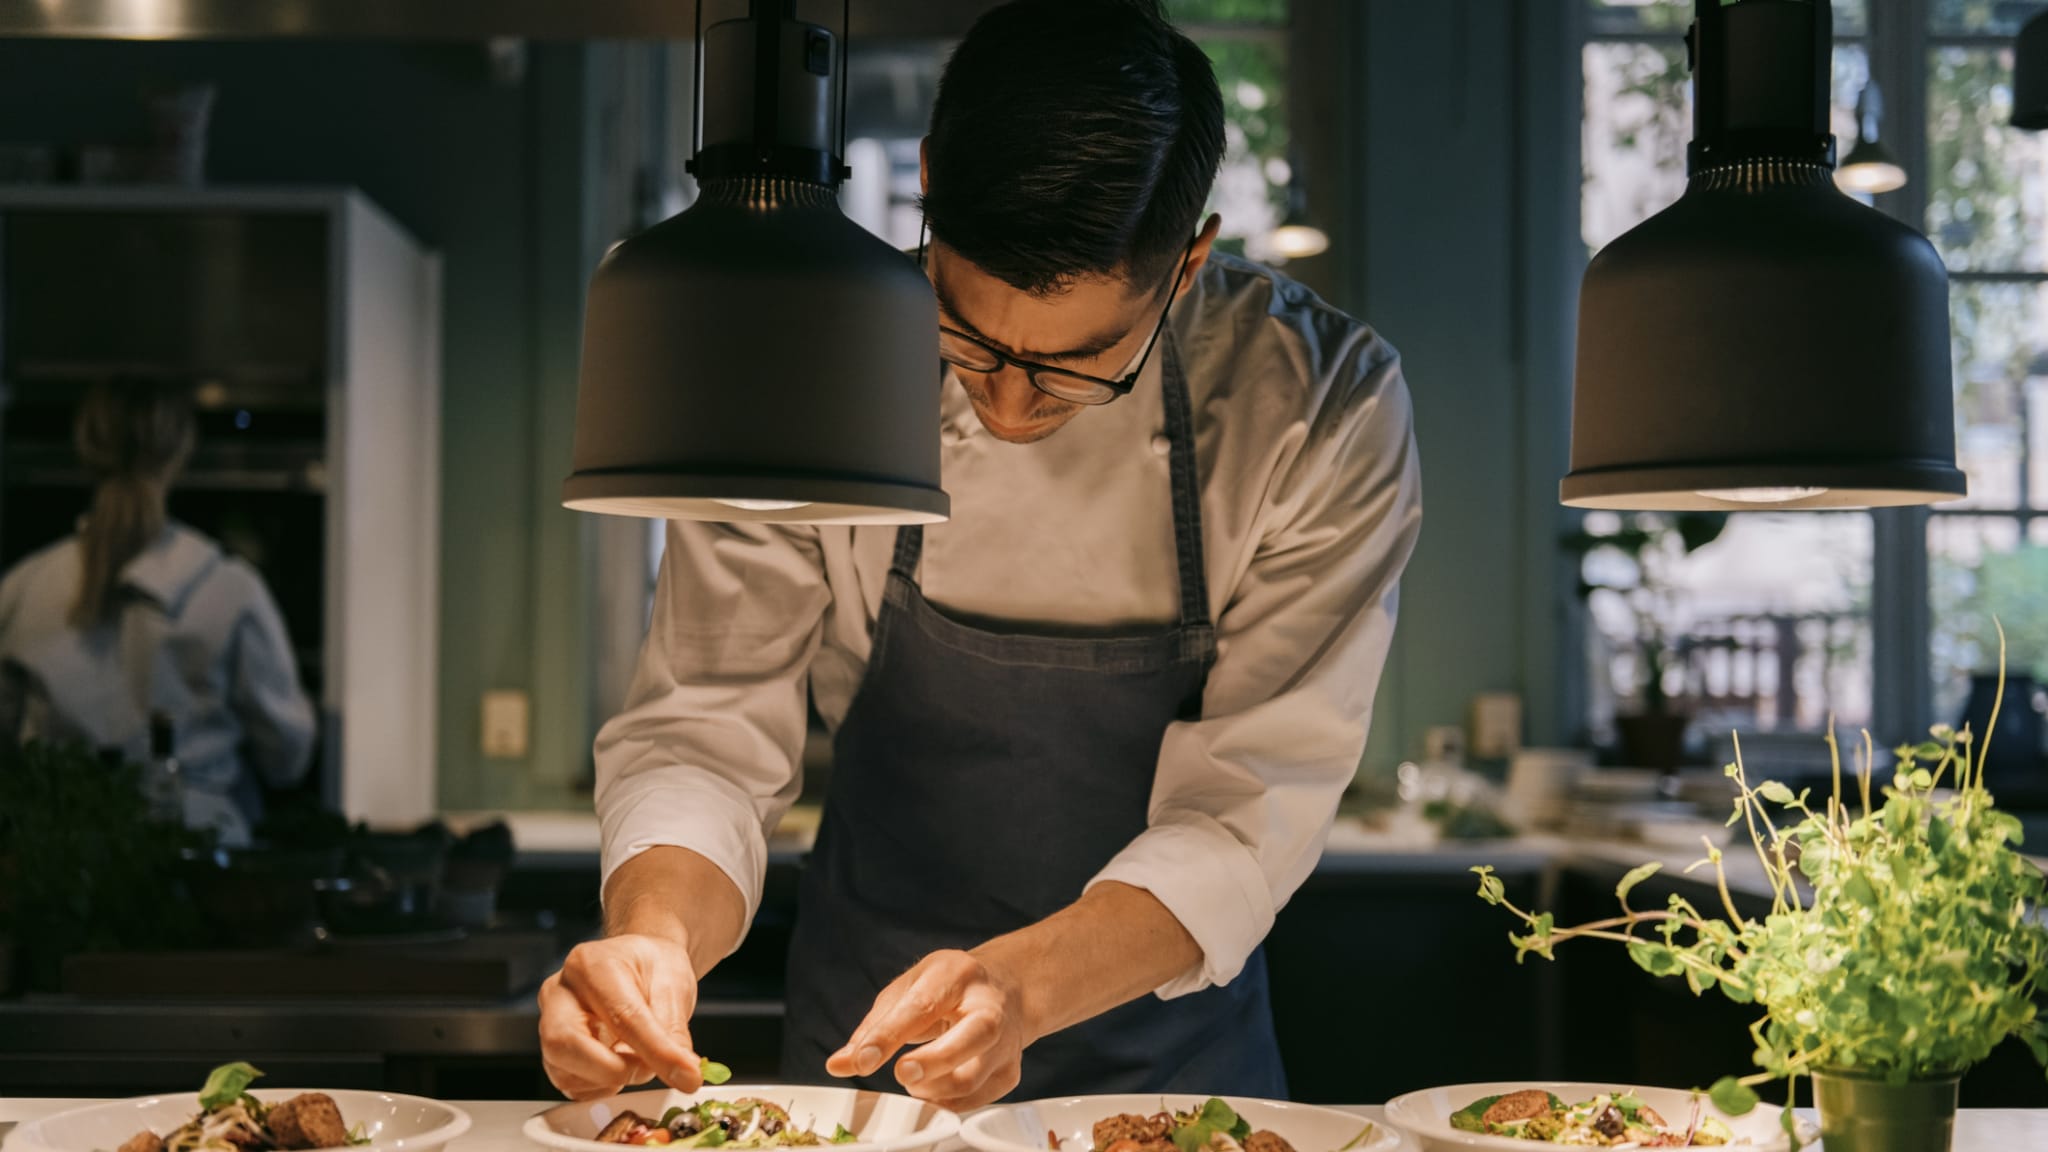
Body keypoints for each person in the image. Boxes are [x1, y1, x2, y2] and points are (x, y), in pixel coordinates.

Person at [539, 0, 1423, 1109]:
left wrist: (1021, 986)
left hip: (1166, 1082)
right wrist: (654, 941)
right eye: (965, 338)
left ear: (1187, 264)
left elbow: (1245, 810)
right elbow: (706, 724)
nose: (1006, 405)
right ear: (923, 191)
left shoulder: (1318, 405)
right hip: (863, 1069)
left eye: (1074, 367)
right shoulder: (802, 351)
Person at [0, 379, 316, 846]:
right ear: (180, 454)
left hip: (57, 861)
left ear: (84, 449)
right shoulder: (229, 588)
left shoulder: (23, 588)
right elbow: (288, 755)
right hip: (201, 856)